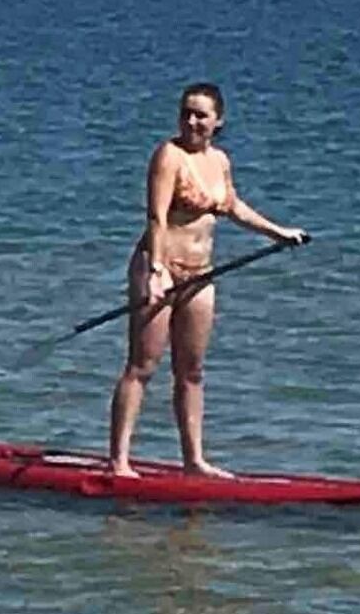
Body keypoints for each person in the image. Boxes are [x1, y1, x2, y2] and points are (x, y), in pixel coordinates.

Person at [104, 82, 308, 478]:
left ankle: (194, 460)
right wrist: (157, 271)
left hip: (201, 274)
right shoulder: (168, 155)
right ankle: (120, 461)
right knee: (142, 365)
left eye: (201, 115)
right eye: (186, 113)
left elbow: (232, 207)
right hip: (159, 268)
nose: (192, 121)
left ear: (218, 121)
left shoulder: (219, 161)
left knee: (192, 371)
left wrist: (278, 232)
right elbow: (157, 217)